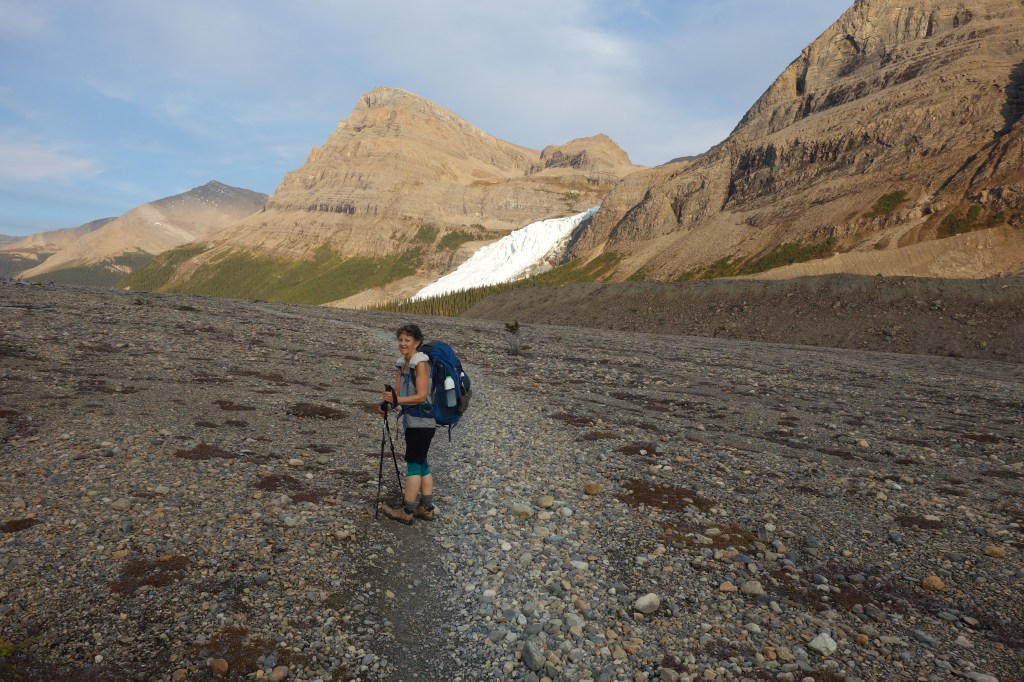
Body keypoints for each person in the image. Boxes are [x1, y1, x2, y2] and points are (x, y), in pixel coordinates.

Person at [379, 323, 437, 524]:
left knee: (413, 463)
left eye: (407, 340)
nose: (403, 343)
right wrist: (387, 405)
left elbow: (421, 396)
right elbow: (398, 394)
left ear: (417, 343)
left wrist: (396, 401)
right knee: (422, 462)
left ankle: (407, 511)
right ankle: (426, 508)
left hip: (422, 422)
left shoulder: (420, 363)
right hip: (414, 421)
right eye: (401, 340)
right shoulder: (401, 364)